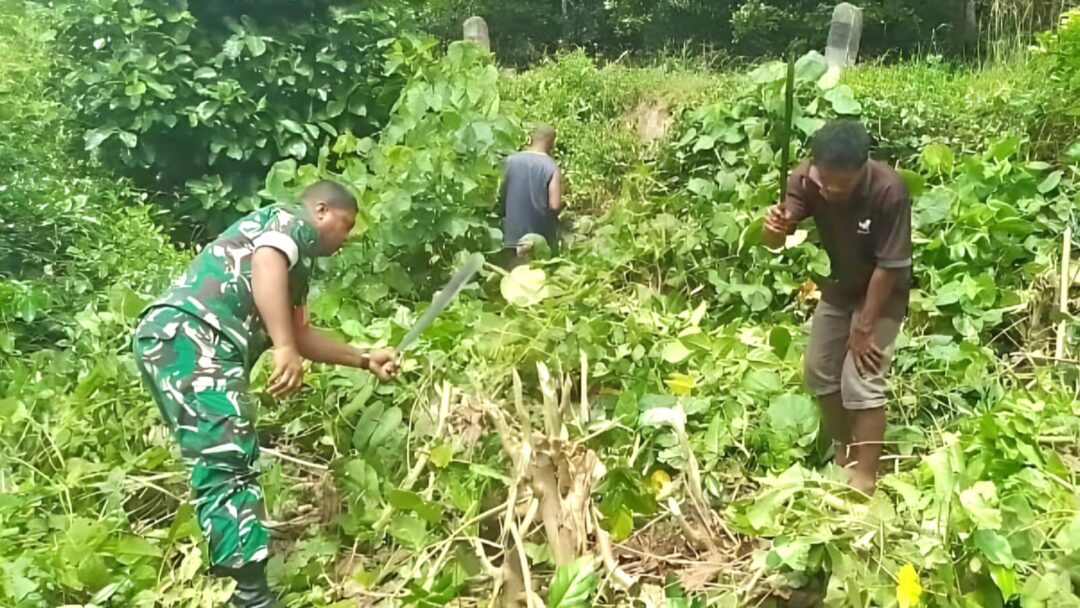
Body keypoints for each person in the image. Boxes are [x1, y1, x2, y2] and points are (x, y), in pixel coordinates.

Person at [132, 180, 399, 607]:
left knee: (222, 456)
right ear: (322, 211)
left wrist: (364, 358)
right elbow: (267, 262)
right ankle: (250, 597)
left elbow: (301, 332)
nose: (344, 239)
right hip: (194, 334)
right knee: (228, 457)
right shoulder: (289, 222)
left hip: (179, 338)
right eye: (345, 226)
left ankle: (241, 587)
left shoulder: (298, 267)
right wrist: (284, 349)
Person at [761, 120, 912, 495]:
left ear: (864, 167)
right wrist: (775, 228)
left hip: (884, 292)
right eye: (825, 181)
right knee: (818, 372)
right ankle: (844, 451)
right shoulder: (807, 179)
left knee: (860, 379)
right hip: (841, 286)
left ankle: (865, 475)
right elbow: (776, 241)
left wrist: (863, 327)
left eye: (842, 184)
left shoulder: (889, 190)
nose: (830, 190)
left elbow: (890, 267)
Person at [497, 124, 563, 269]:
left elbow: (501, 195)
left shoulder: (509, 161)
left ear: (532, 138)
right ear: (552, 142)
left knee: (511, 278)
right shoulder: (551, 167)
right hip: (539, 238)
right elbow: (555, 205)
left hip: (511, 234)